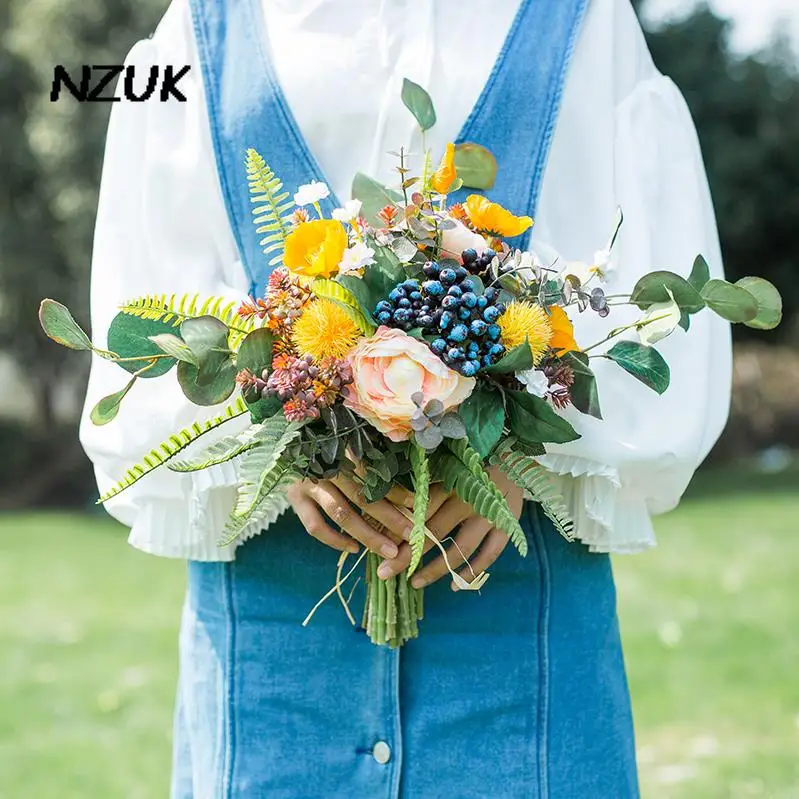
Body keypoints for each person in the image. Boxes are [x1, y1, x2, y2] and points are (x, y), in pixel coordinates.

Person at [80, 0, 732, 796]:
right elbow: (148, 301)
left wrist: (515, 452)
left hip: (514, 636)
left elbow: (642, 290)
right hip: (275, 658)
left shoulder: (586, 22)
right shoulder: (197, 30)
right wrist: (289, 441)